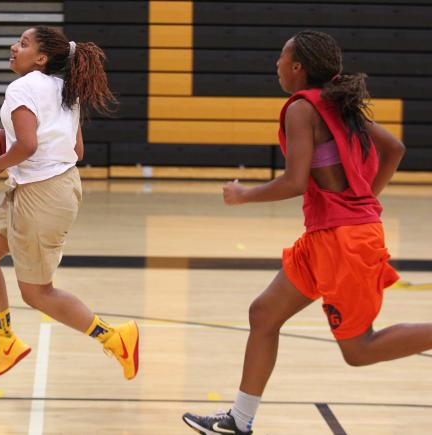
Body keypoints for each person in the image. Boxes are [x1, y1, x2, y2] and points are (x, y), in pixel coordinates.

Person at [182, 30, 432, 434]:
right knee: (264, 313)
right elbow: (395, 148)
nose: (276, 64)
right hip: (327, 236)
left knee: (359, 349)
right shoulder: (335, 103)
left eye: (281, 57)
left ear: (297, 67)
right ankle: (239, 421)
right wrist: (362, 199)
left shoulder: (302, 108)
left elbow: (295, 181)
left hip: (344, 241)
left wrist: (243, 195)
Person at [0, 26, 139, 382]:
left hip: (42, 195)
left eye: (24, 44)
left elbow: (27, 146)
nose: (15, 48)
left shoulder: (21, 89)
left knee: (37, 292)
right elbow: (77, 151)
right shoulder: (67, 91)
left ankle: (116, 338)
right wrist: (14, 148)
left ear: (41, 58)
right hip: (45, 186)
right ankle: (6, 342)